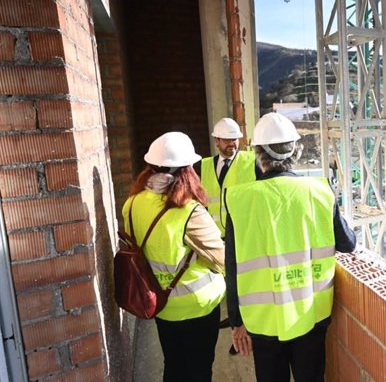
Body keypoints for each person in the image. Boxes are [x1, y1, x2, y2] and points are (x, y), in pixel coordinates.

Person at [224, 112, 356, 382]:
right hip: (311, 313)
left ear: (258, 154)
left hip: (263, 319)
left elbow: (232, 265)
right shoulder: (319, 191)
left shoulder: (240, 199)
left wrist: (237, 322)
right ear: (296, 150)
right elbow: (348, 243)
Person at [123, 132, 225, 382]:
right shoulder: (189, 211)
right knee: (199, 370)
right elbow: (222, 259)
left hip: (159, 302)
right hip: (198, 307)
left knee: (174, 365)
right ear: (187, 170)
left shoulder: (132, 203)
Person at [199, 117, 260, 239]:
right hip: (215, 237)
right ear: (217, 141)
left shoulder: (252, 161)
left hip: (244, 235)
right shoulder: (203, 166)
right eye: (227, 140)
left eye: (234, 139)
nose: (232, 143)